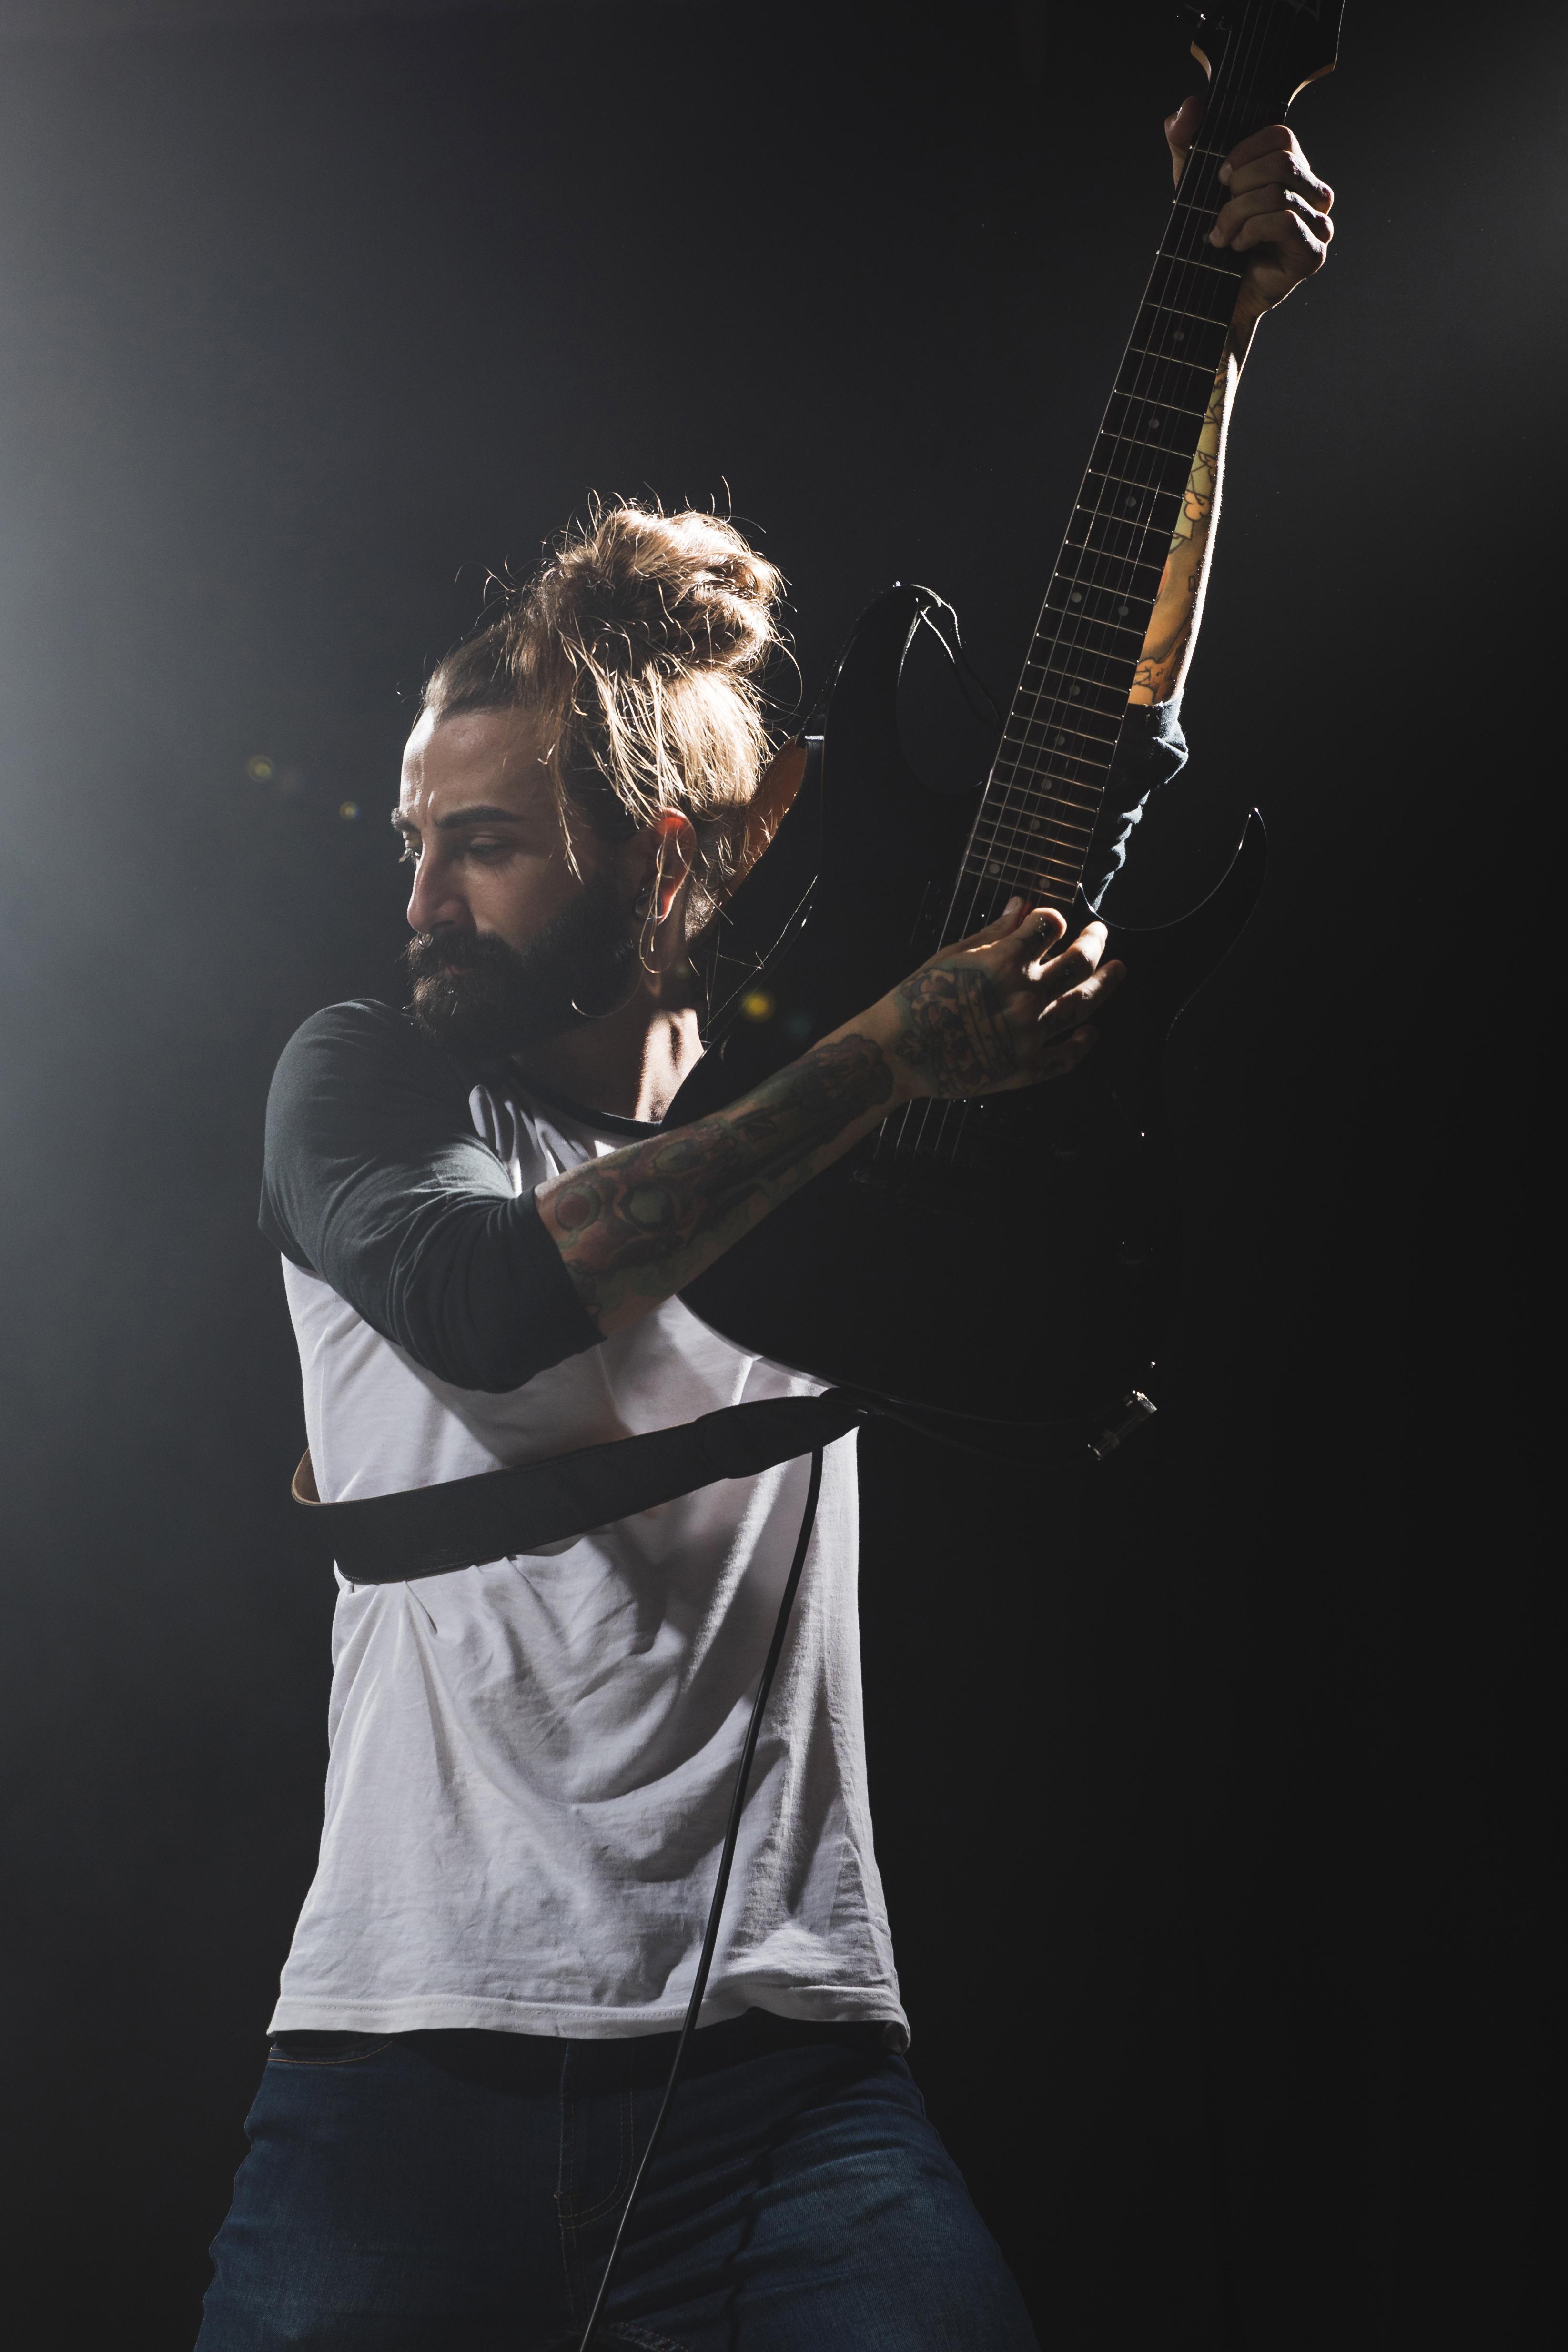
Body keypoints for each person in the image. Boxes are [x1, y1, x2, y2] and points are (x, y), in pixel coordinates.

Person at [199, 101, 1333, 2352]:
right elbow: (491, 1299)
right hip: (398, 2073)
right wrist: (887, 1054)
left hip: (791, 2083)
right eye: (413, 837)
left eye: (481, 841)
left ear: (662, 853)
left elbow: (1097, 759)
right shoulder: (365, 1083)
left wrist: (1213, 333)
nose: (419, 892)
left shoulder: (835, 1123)